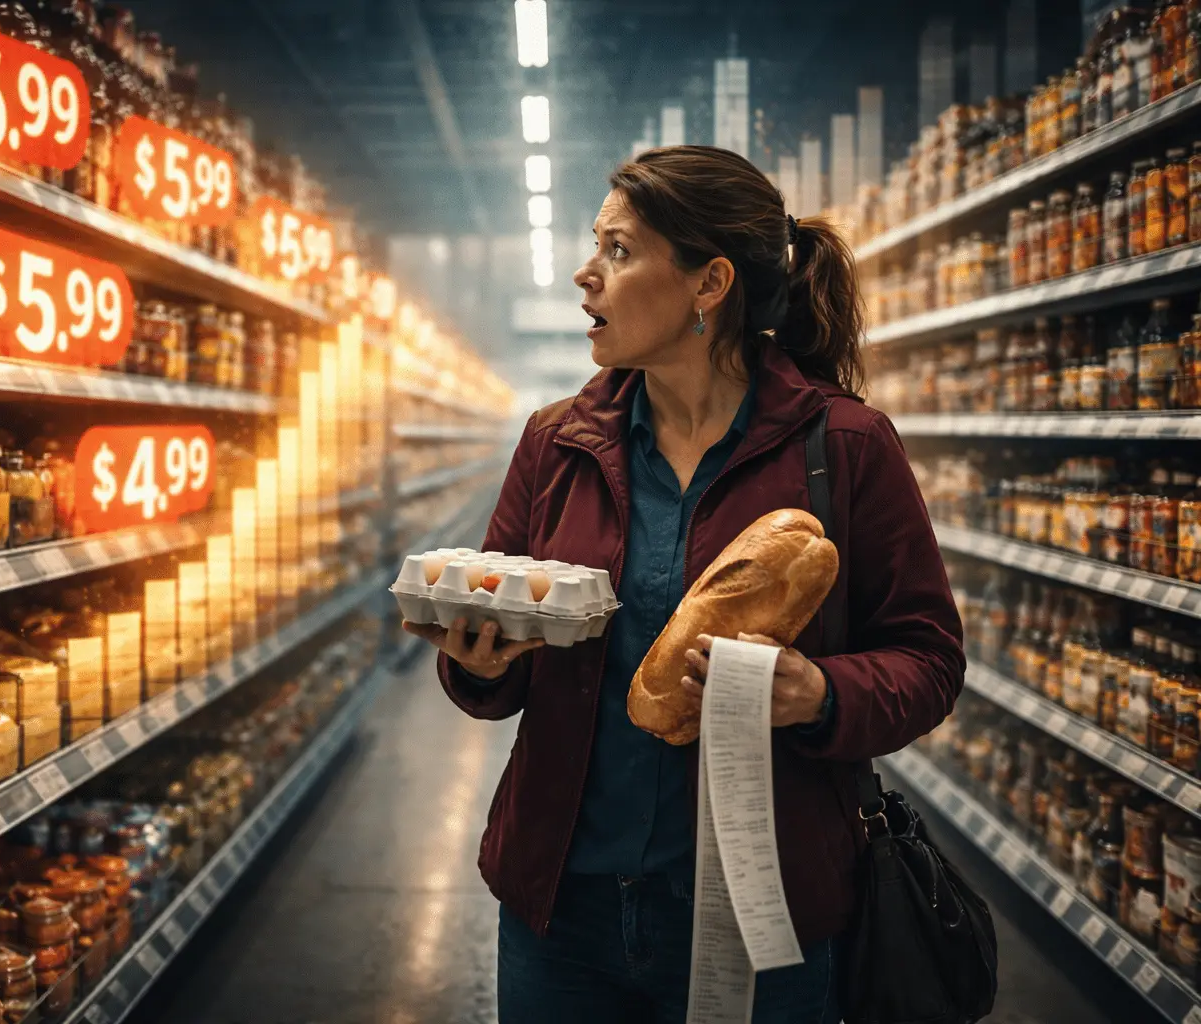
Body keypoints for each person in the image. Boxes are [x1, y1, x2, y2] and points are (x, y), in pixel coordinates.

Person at [402, 145, 965, 1023]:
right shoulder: (556, 444)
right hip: (562, 912)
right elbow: (497, 672)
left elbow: (929, 661)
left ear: (710, 284)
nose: (586, 275)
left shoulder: (845, 449)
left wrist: (819, 693)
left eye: (619, 251)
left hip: (761, 916)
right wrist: (478, 662)